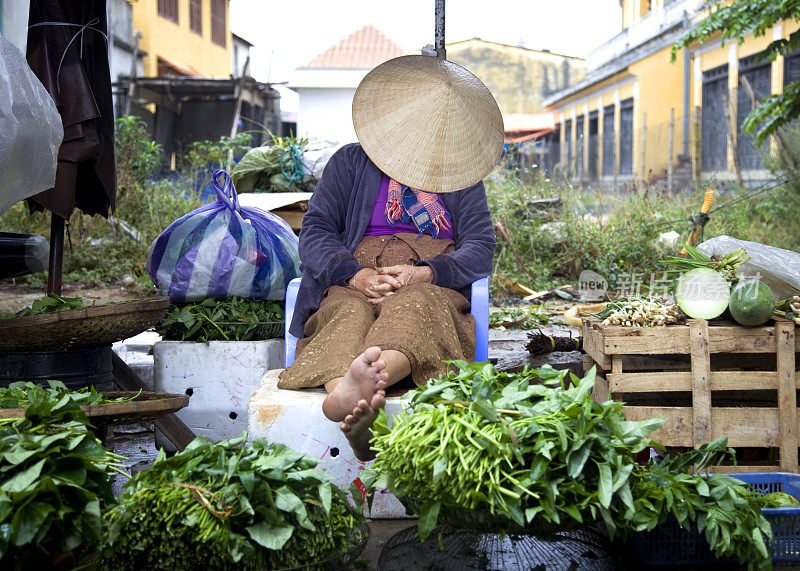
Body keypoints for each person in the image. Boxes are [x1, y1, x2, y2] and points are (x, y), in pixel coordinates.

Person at [277, 55, 504, 460]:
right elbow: (315, 232)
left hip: (427, 287)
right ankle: (346, 392)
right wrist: (354, 274)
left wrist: (428, 274)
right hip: (353, 278)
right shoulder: (350, 162)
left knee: (414, 309)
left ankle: (368, 380)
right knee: (345, 315)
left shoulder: (462, 180)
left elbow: (480, 247)